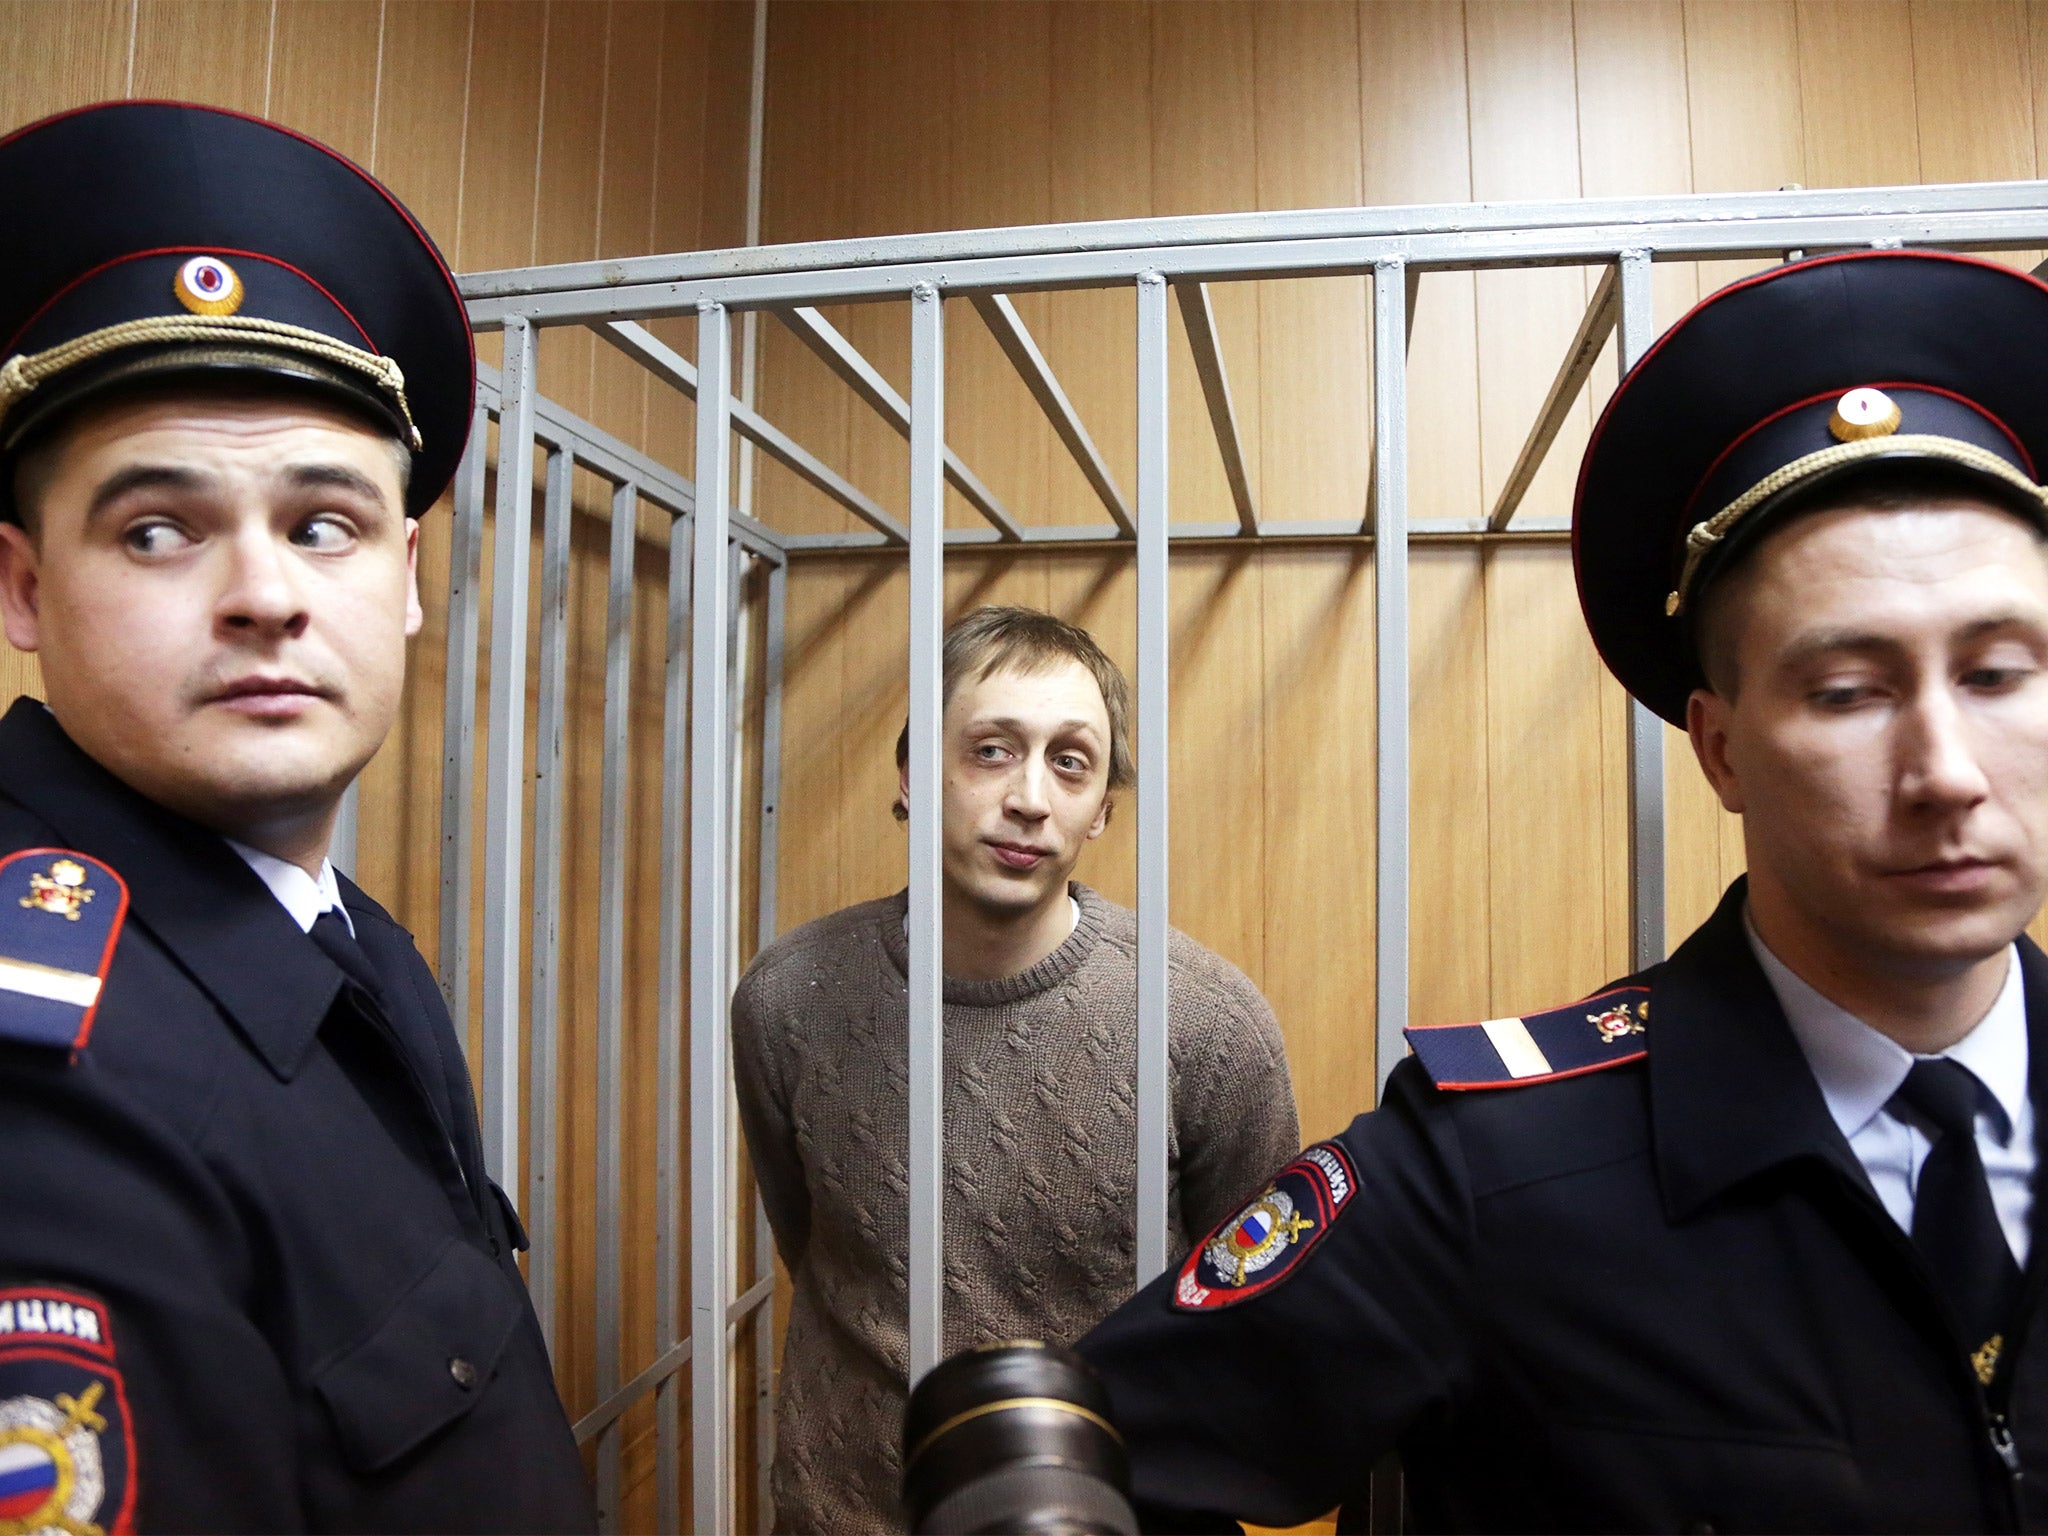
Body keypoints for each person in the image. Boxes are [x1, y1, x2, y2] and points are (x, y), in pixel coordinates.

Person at [1069, 250, 2048, 1533]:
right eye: (1846, 692)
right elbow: (1068, 1462)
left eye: (1995, 673)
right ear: (1720, 747)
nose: (1942, 774)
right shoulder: (1493, 1165)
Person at [0, 101, 594, 1532]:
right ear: (22, 592)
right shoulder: (47, 1080)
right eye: (160, 529)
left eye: (320, 523)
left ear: (401, 577)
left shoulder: (345, 942)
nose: (265, 594)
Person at [733, 604, 1298, 1534]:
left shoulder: (1206, 1023)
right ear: (915, 775)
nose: (1031, 797)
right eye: (992, 749)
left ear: (1103, 807)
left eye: (1070, 761)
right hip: (855, 1513)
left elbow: (1251, 1316)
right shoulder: (788, 996)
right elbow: (817, 1243)